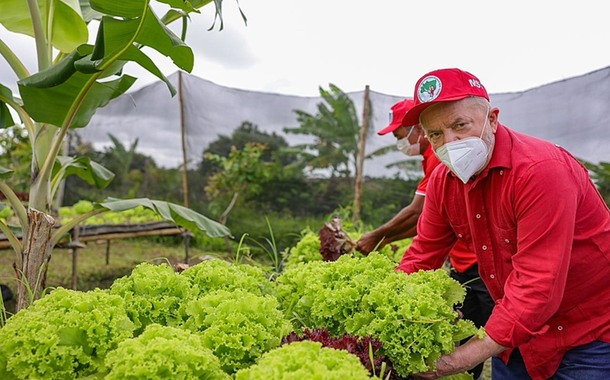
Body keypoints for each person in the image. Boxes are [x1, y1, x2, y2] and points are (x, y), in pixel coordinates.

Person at [395, 68, 610, 380]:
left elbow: (539, 284)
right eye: (436, 134)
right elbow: (423, 253)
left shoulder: (540, 171)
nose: (450, 142)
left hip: (585, 335)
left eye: (460, 125)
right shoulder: (443, 181)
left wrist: (459, 359)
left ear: (492, 119)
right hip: (515, 336)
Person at [356, 99, 494, 380]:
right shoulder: (435, 160)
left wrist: (376, 237)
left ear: (416, 130)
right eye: (436, 134)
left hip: (484, 265)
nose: (400, 144)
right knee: (468, 329)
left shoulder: (441, 156)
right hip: (463, 262)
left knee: (493, 337)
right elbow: (430, 229)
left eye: (399, 136)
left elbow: (417, 212)